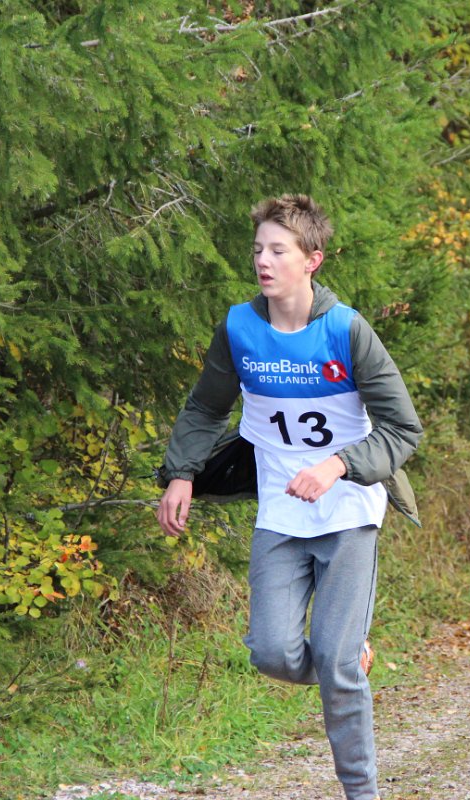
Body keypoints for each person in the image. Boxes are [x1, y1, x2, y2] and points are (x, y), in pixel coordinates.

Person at [156, 194, 422, 800]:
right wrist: (181, 473)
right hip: (280, 513)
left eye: (279, 250)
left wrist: (338, 465)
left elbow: (403, 428)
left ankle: (362, 792)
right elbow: (205, 408)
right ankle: (345, 662)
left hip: (349, 512)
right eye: (258, 249)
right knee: (273, 653)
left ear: (312, 260)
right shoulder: (239, 329)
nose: (263, 261)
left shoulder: (347, 330)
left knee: (333, 658)